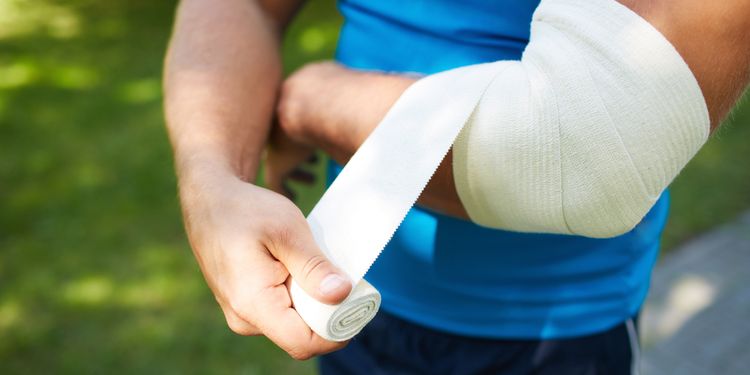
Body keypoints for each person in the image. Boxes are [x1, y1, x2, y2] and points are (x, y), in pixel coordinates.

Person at [163, 0, 750, 373]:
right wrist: (211, 181)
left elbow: (583, 155)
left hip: (554, 329)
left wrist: (307, 101)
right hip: (349, 286)